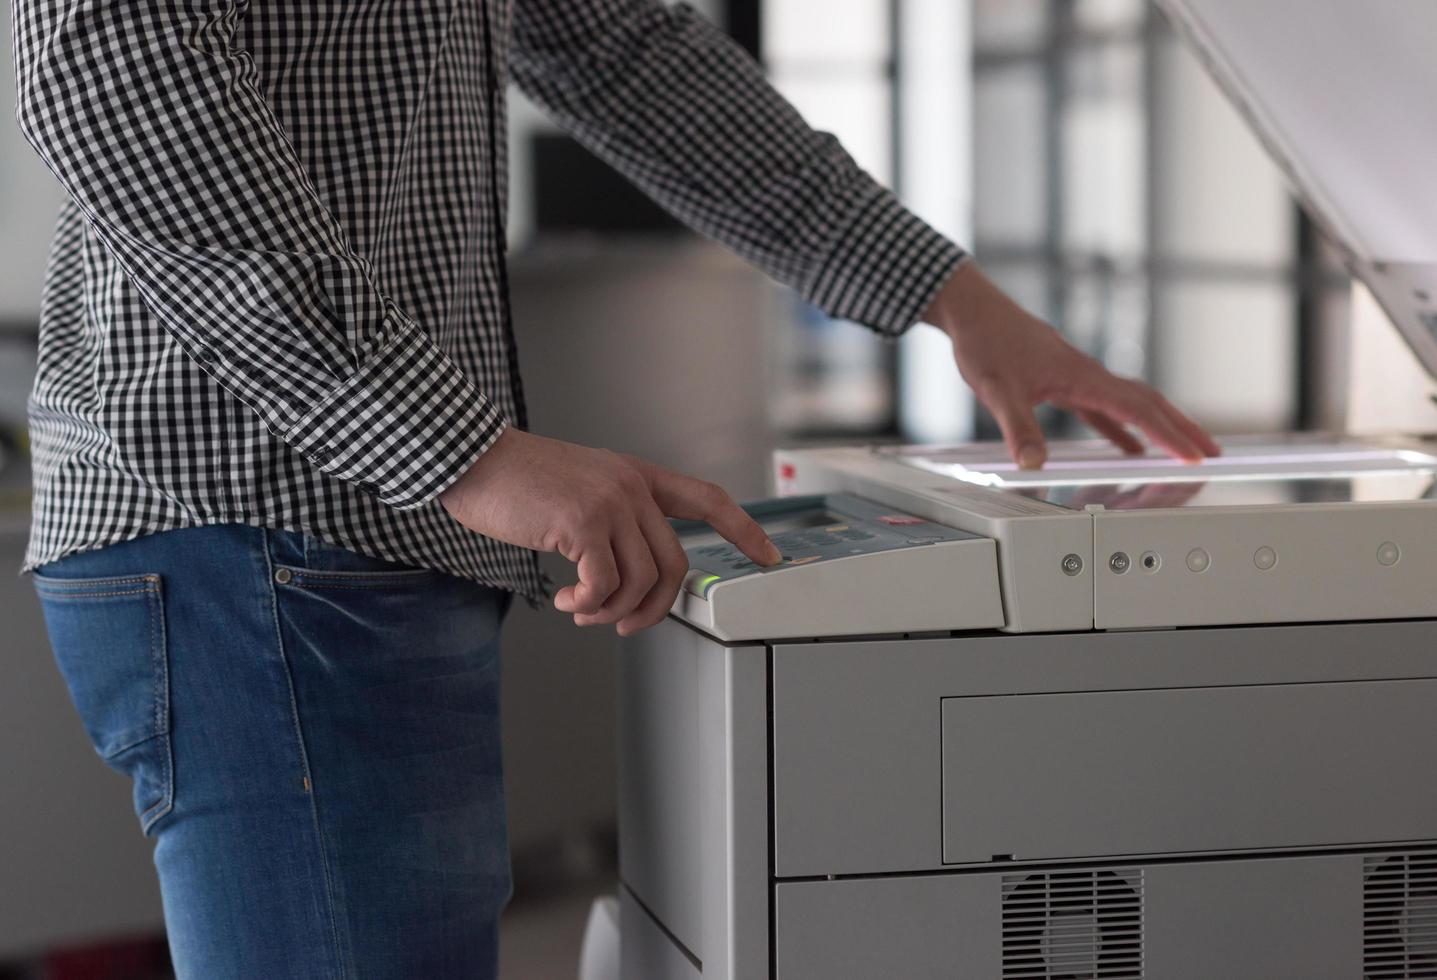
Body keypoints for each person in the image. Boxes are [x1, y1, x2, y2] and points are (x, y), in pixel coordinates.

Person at [12, 0, 1218, 976]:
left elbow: (623, 50)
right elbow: (106, 62)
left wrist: (955, 295)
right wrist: (467, 450)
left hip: (348, 528)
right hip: (266, 513)